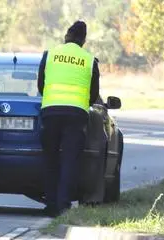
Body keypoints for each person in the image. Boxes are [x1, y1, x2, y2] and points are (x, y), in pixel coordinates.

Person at [38, 20, 100, 217]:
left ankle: (50, 205)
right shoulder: (90, 60)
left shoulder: (49, 55)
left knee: (50, 159)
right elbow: (93, 94)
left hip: (51, 111)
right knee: (69, 160)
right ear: (83, 40)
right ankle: (64, 206)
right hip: (76, 115)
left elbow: (41, 85)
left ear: (66, 36)